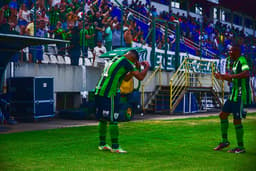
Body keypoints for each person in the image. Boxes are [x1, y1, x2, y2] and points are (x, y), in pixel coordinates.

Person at [95, 50, 149, 153]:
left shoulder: (116, 58)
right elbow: (141, 77)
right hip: (110, 92)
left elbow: (126, 78)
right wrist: (146, 67)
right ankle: (115, 147)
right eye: (134, 62)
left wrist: (135, 69)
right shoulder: (127, 62)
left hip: (99, 90)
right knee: (113, 120)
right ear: (133, 59)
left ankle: (102, 144)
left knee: (103, 119)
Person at [214, 44, 251, 153]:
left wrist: (231, 76)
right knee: (223, 115)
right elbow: (234, 79)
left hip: (240, 94)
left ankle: (241, 147)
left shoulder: (242, 60)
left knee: (237, 120)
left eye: (231, 51)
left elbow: (246, 73)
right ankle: (225, 141)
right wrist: (222, 77)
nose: (229, 53)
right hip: (233, 94)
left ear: (237, 51)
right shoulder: (234, 63)